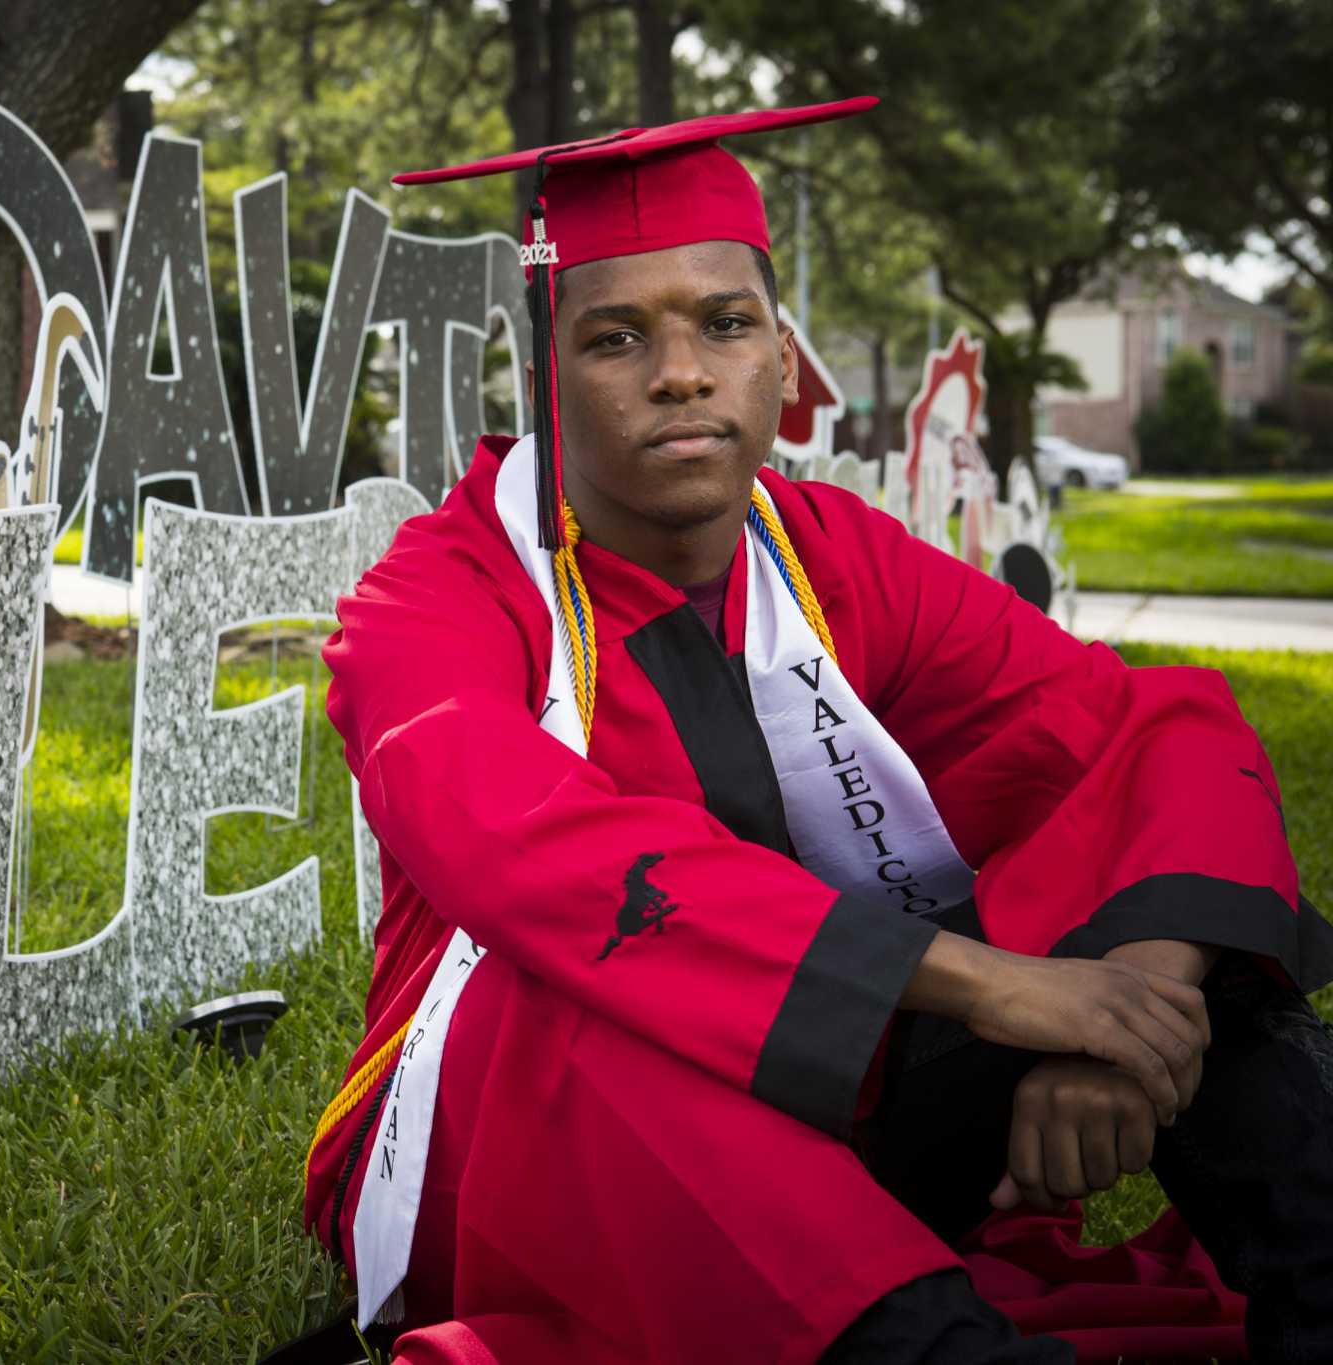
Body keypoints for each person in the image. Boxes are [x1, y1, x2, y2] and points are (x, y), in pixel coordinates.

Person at [297, 98, 1333, 1365]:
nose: (680, 372)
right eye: (616, 337)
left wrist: (1122, 1016)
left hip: (824, 1092)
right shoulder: (429, 600)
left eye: (724, 327)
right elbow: (533, 855)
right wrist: (997, 987)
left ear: (781, 363)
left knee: (1180, 954)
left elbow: (1132, 735)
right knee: (563, 980)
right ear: (546, 375)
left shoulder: (833, 556)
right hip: (535, 1141)